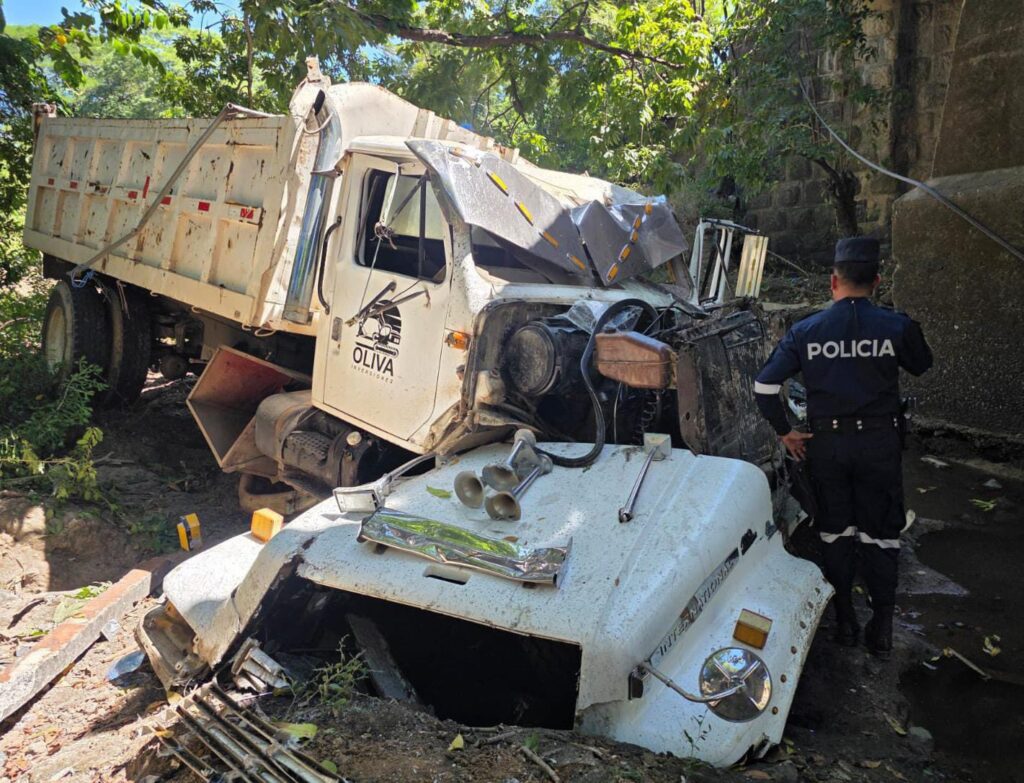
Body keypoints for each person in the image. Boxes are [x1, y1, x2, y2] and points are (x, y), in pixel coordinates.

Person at [753, 237, 932, 658]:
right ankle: (882, 627)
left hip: (827, 447)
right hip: (879, 445)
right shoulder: (895, 326)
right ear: (877, 281)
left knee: (834, 533)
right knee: (881, 535)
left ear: (833, 281)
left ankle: (846, 622)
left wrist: (785, 431)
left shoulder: (806, 331)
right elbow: (922, 364)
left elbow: (764, 387)